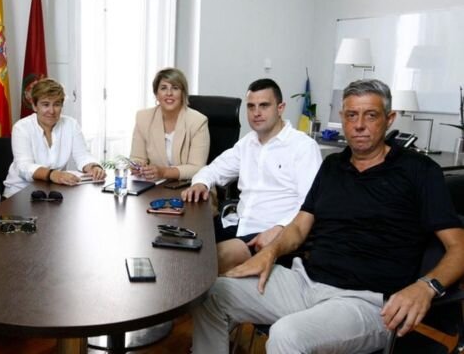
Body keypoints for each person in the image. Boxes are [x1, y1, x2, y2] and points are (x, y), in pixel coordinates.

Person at [191, 79, 464, 354]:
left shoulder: (419, 171)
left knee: (286, 336)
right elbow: (300, 225)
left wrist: (426, 286)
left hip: (367, 302)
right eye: (351, 115)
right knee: (211, 295)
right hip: (305, 282)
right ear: (342, 118)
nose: (359, 125)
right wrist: (270, 252)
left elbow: (459, 245)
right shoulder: (333, 166)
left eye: (370, 115)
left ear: (389, 119)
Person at [182, 78, 321, 274]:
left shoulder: (303, 147)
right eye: (251, 106)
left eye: (264, 105)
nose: (256, 113)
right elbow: (213, 169)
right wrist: (201, 184)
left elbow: (309, 204)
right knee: (184, 246)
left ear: (280, 108)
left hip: (273, 233)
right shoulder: (247, 144)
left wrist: (280, 228)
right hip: (240, 225)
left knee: (213, 259)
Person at [3, 78, 105, 197]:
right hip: (19, 193)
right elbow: (24, 167)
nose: (51, 111)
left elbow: (82, 155)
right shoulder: (21, 127)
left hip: (53, 192)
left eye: (57, 104)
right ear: (35, 106)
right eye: (45, 104)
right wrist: (53, 174)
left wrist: (93, 167)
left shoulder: (71, 124)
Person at [129, 67, 210, 180]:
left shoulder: (197, 121)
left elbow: (197, 168)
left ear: (183, 94)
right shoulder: (143, 118)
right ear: (157, 94)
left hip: (190, 187)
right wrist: (138, 167)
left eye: (175, 88)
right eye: (163, 88)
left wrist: (164, 172)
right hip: (155, 186)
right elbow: (137, 158)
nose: (169, 93)